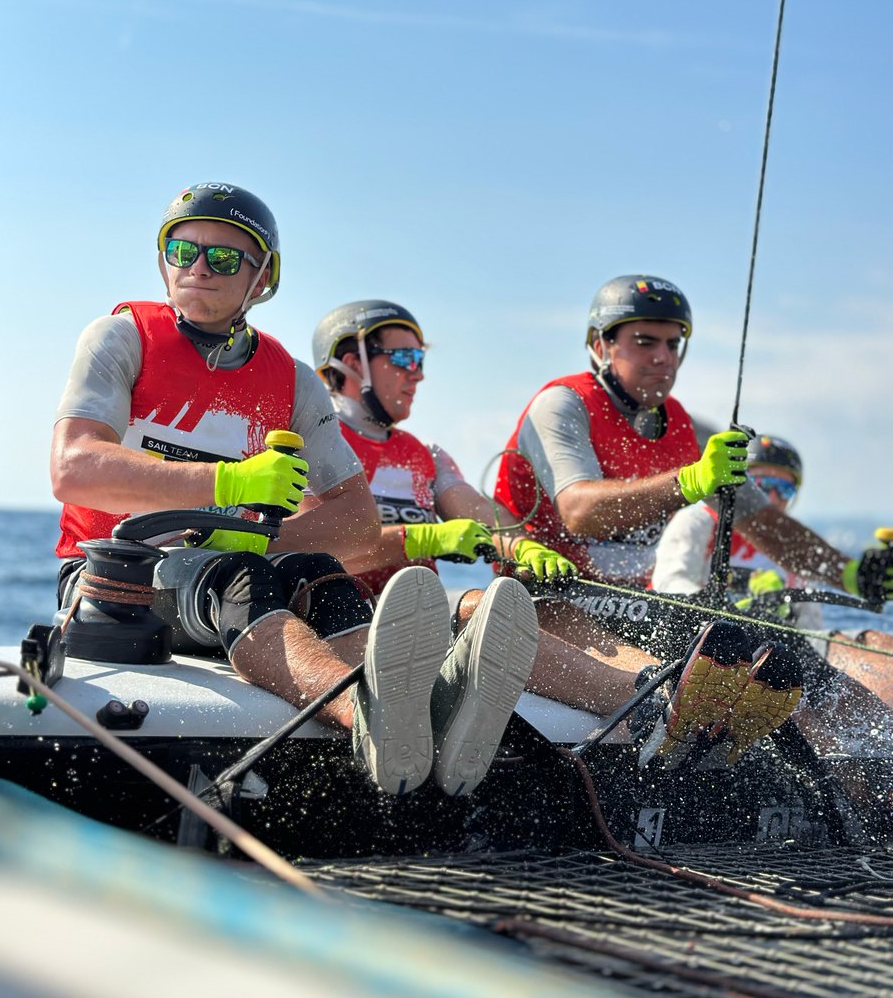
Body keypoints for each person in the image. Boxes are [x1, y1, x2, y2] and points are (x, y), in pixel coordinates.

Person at [49, 182, 540, 800]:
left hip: (218, 568)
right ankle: (370, 721)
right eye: (182, 249)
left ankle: (429, 710)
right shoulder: (121, 338)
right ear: (163, 259)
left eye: (223, 257)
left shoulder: (294, 382)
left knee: (316, 571)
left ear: (261, 280)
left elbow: (356, 524)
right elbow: (73, 467)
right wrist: (226, 484)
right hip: (110, 581)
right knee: (240, 578)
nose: (197, 267)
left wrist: (251, 530)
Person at [308, 298, 804, 768]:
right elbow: (318, 549)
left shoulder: (429, 456)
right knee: (489, 607)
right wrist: (422, 541)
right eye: (403, 357)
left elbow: (486, 517)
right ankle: (650, 701)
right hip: (337, 616)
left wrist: (524, 548)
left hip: (415, 619)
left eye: (419, 357)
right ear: (351, 362)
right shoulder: (318, 440)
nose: (418, 371)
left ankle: (672, 702)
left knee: (525, 604)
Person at [493, 274, 893, 754]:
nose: (663, 357)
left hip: (637, 606)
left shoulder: (683, 426)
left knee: (779, 658)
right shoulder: (562, 404)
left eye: (672, 343)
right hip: (550, 601)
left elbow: (764, 524)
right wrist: (689, 481)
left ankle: (851, 774)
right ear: (600, 344)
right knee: (721, 647)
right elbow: (578, 510)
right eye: (644, 342)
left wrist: (849, 573)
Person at [653, 434, 893, 705]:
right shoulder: (700, 520)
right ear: (744, 486)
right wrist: (738, 598)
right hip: (715, 646)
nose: (774, 497)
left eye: (785, 489)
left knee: (879, 642)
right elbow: (669, 585)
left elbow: (809, 629)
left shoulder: (790, 543)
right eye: (763, 485)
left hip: (784, 645)